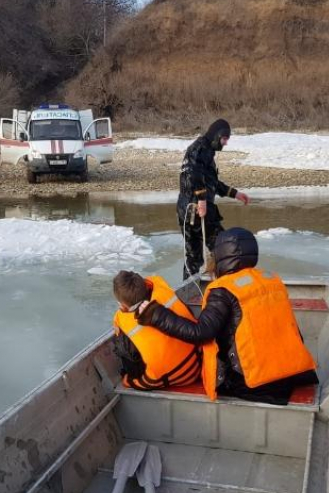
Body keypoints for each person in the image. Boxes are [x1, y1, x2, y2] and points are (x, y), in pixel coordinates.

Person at [136, 227, 318, 404]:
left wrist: (156, 314)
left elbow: (201, 333)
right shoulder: (271, 280)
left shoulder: (223, 291)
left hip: (252, 383)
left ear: (221, 256)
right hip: (292, 374)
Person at [178, 119, 250, 279]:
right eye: (225, 139)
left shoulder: (207, 152)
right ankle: (226, 282)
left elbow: (213, 183)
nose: (225, 143)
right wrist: (202, 199)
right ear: (217, 135)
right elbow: (192, 174)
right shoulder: (199, 149)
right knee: (223, 245)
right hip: (193, 210)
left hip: (194, 208)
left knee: (195, 254)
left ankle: (194, 286)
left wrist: (235, 193)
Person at [111, 271, 201, 390]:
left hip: (169, 379)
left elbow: (134, 370)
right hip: (197, 365)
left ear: (121, 305)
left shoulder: (124, 324)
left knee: (128, 379)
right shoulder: (163, 291)